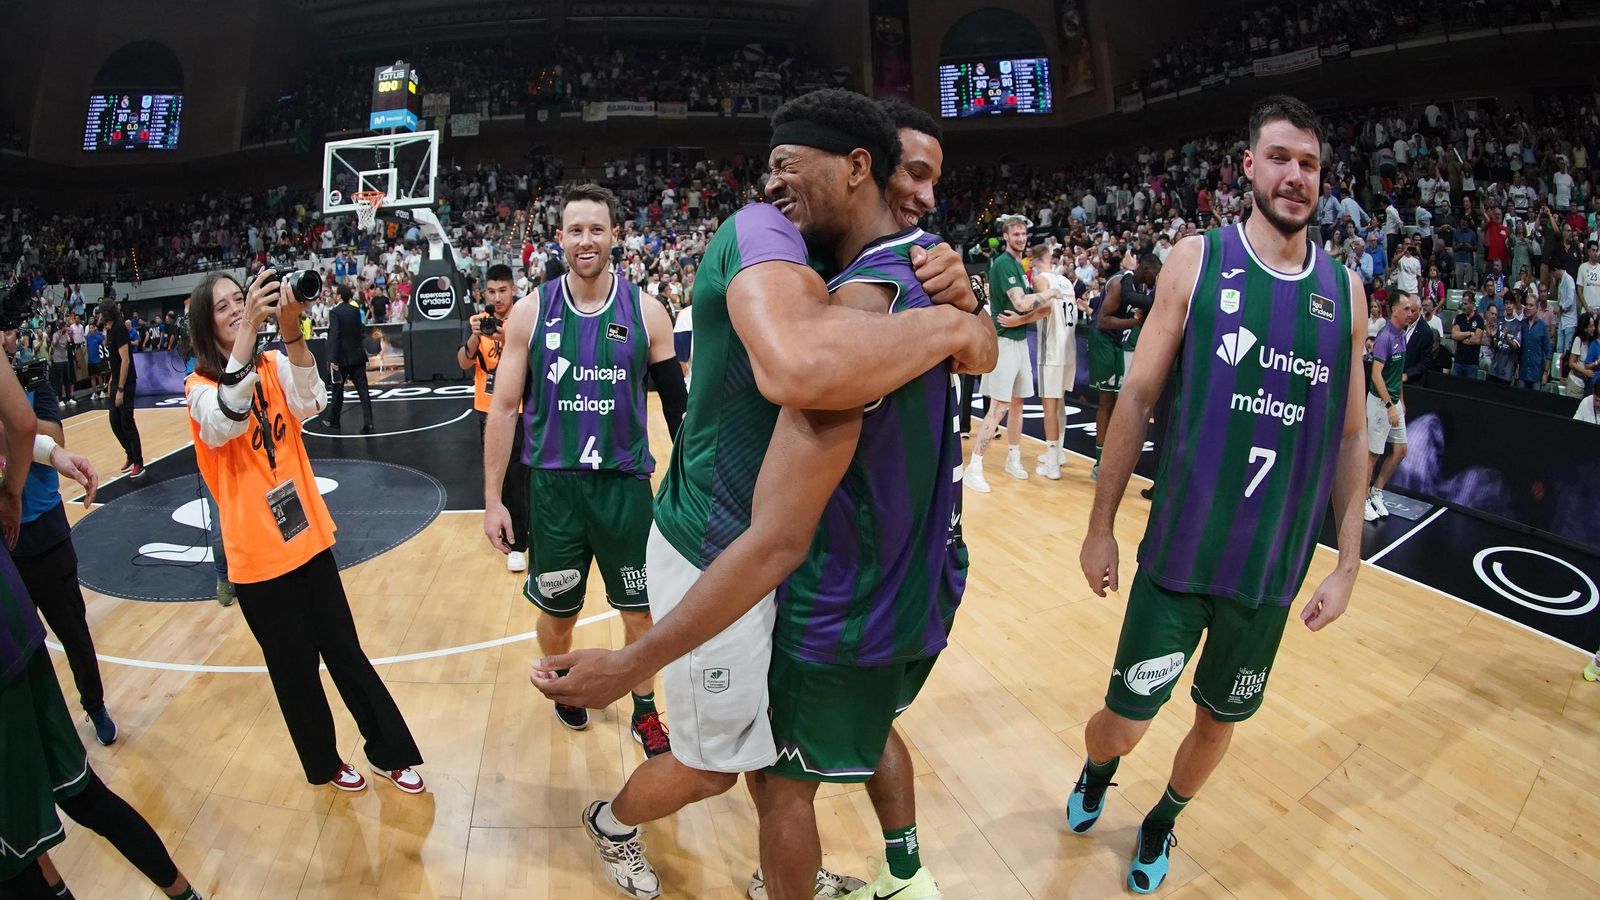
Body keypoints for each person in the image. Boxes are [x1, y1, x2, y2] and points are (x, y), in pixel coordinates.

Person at [531, 91, 993, 900]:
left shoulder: (872, 273)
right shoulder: (764, 231)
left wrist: (975, 320)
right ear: (867, 172)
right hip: (719, 544)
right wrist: (960, 331)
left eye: (788, 167)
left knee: (780, 765)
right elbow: (802, 369)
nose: (773, 183)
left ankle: (804, 877)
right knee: (718, 769)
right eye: (904, 175)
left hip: (783, 557)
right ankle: (611, 825)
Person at [1073, 95, 1366, 895]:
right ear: (1248, 166)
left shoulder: (1345, 291)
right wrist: (1099, 526)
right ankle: (1099, 770)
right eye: (1279, 158)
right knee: (1123, 723)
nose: (1295, 176)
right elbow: (1133, 400)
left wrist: (1347, 567)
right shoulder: (1199, 260)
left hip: (1270, 575)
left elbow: (1349, 438)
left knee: (1217, 723)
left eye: (1308, 163)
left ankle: (1163, 819)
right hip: (1178, 556)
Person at [184, 270, 424, 794]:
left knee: (345, 651)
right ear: (207, 323)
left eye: (239, 300)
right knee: (295, 672)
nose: (236, 309)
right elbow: (227, 416)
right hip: (255, 560)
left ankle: (389, 750)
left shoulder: (271, 363)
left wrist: (291, 331)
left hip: (306, 537)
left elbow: (312, 403)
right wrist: (250, 327)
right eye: (224, 305)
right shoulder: (198, 389)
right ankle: (325, 762)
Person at [480, 185, 683, 755]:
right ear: (561, 239)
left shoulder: (646, 311)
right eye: (576, 231)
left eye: (597, 229)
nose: (586, 240)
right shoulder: (529, 311)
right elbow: (502, 408)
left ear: (614, 235)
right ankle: (565, 685)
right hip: (553, 492)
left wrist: (692, 486)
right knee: (558, 615)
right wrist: (495, 500)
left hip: (623, 488)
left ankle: (645, 709)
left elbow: (677, 408)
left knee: (640, 615)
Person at [0, 348, 203, 900]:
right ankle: (185, 892)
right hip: (13, 616)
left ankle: (96, 705)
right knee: (75, 797)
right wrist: (34, 462)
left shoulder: (39, 383)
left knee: (18, 842)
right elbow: (23, 427)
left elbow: (23, 425)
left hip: (35, 558)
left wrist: (23, 476)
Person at [2, 323, 114, 744]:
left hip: (46, 531)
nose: (6, 340)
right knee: (22, 645)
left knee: (74, 631)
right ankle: (38, 726)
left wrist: (19, 427)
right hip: (6, 543)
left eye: (8, 333)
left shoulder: (33, 379)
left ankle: (95, 705)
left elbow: (51, 436)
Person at [459, 264, 529, 573]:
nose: (498, 297)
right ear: (484, 293)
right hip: (486, 408)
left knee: (522, 476)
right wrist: (476, 336)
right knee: (497, 477)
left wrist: (505, 337)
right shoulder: (479, 321)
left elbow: (534, 359)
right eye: (492, 291)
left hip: (521, 408)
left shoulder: (523, 318)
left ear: (513, 289)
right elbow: (462, 361)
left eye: (503, 290)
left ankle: (525, 539)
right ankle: (512, 541)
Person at [962, 214, 1040, 492]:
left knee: (1017, 403)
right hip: (1004, 343)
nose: (1021, 238)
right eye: (1015, 234)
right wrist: (1050, 294)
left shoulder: (1019, 266)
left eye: (1023, 234)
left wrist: (1023, 319)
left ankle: (1013, 458)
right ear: (1005, 236)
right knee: (998, 407)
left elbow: (1027, 313)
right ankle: (975, 467)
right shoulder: (1004, 263)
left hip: (1018, 340)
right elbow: (1021, 303)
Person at [1084, 249, 1144, 480]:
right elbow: (1103, 320)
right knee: (1107, 401)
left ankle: (1114, 458)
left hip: (1119, 343)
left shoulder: (1136, 285)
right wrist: (1134, 321)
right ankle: (1100, 464)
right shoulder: (1120, 282)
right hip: (1104, 341)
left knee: (1121, 403)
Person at [1365, 293, 1417, 521]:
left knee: (1401, 450)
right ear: (1395, 310)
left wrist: (1400, 401)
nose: (1410, 313)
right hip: (1380, 403)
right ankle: (1361, 500)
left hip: (1394, 401)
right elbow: (1376, 375)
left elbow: (1397, 374)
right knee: (1373, 455)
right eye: (1406, 309)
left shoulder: (1402, 335)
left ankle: (1376, 491)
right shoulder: (1385, 337)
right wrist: (1389, 405)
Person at [100, 299, 144, 478]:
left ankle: (139, 462)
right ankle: (130, 454)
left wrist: (120, 388)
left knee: (126, 421)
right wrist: (112, 380)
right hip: (116, 380)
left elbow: (125, 360)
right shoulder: (110, 330)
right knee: (114, 422)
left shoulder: (119, 329)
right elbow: (115, 362)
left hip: (126, 382)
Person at [324, 284, 374, 433]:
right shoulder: (355, 311)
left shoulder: (335, 312)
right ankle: (369, 423)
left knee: (338, 390)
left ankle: (334, 421)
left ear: (339, 296)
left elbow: (335, 336)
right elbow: (361, 331)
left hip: (342, 358)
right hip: (357, 356)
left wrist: (333, 359)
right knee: (363, 391)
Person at [1517, 295, 1552, 390]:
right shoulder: (1521, 325)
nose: (1528, 307)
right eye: (1527, 305)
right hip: (1522, 373)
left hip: (1536, 375)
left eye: (1531, 305)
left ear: (1537, 308)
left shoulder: (1542, 327)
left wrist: (1545, 372)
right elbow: (1517, 349)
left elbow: (1548, 351)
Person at [1450, 300, 1485, 379]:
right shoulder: (1459, 318)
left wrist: (1461, 338)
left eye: (1466, 304)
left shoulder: (1479, 319)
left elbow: (1477, 340)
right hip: (1458, 361)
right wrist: (1470, 333)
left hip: (1472, 363)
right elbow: (1454, 335)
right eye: (1463, 303)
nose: (1463, 306)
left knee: (1470, 390)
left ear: (1472, 304)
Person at [1564, 311, 1596, 397]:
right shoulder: (1578, 340)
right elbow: (1571, 363)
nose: (1594, 328)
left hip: (1583, 384)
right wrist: (1585, 372)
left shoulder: (1589, 342)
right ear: (1585, 328)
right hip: (1575, 384)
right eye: (1591, 326)